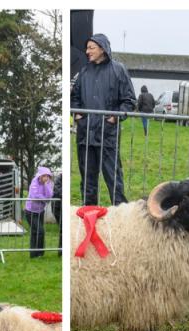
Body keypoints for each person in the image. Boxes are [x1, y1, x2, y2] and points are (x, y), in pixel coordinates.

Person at [70, 33, 136, 206]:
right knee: (87, 180)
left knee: (113, 179)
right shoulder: (84, 71)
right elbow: (74, 97)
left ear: (102, 49)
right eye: (87, 48)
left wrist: (114, 118)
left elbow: (129, 101)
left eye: (91, 48)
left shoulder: (118, 69)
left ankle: (122, 215)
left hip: (107, 135)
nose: (87, 51)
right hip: (85, 135)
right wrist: (78, 115)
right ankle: (89, 216)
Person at [24, 167, 54, 258]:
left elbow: (49, 195)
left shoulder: (47, 183)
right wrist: (45, 200)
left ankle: (38, 253)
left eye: (48, 176)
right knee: (39, 231)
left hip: (40, 211)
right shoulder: (34, 181)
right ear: (40, 176)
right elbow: (35, 195)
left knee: (37, 232)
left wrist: (46, 185)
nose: (46, 178)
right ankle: (35, 253)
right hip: (30, 211)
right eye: (44, 176)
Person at [52, 172, 63, 257]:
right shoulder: (59, 179)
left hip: (61, 206)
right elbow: (57, 191)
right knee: (63, 229)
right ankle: (61, 251)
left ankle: (62, 250)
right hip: (58, 207)